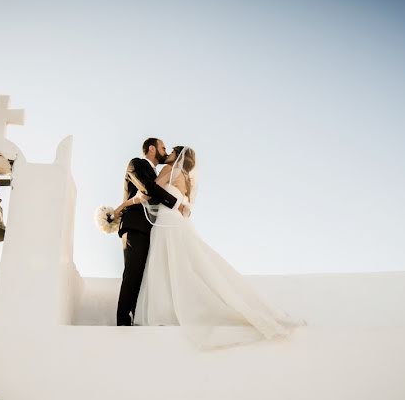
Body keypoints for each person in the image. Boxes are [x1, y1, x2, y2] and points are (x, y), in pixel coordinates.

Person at [115, 146, 302, 348]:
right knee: (185, 264)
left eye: (170, 151)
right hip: (178, 221)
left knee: (164, 265)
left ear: (177, 157)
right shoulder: (186, 179)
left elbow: (149, 192)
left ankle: (163, 311)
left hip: (166, 223)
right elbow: (184, 207)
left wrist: (122, 206)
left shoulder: (169, 170)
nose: (166, 153)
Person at [115, 138, 186, 326]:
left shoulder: (162, 173)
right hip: (136, 226)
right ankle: (122, 323)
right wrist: (176, 204)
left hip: (153, 230)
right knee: (133, 272)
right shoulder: (135, 164)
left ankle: (139, 318)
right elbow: (147, 188)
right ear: (152, 148)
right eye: (163, 147)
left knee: (147, 274)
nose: (165, 150)